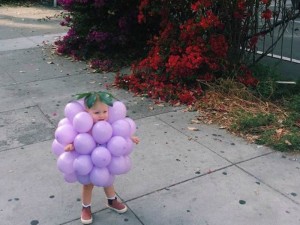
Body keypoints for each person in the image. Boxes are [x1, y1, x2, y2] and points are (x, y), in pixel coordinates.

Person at [64, 98, 140, 224]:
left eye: (105, 111)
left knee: (107, 180)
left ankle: (112, 200)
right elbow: (79, 138)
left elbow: (118, 133)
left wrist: (130, 137)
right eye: (97, 112)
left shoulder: (108, 123)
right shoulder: (85, 126)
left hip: (104, 160)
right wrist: (71, 145)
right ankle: (86, 207)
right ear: (87, 112)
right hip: (88, 161)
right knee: (88, 185)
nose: (102, 115)